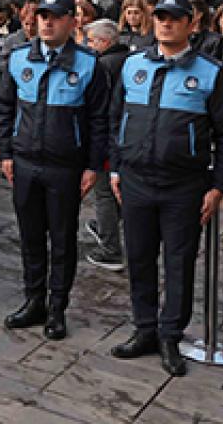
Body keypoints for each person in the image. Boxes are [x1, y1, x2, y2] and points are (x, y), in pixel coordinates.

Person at [108, 0, 223, 377]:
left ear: (191, 24)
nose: (166, 24)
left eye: (174, 19)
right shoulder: (134, 64)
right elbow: (116, 117)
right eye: (161, 18)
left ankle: (170, 335)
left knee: (179, 263)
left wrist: (218, 187)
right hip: (135, 181)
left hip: (184, 186)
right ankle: (144, 329)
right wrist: (115, 168)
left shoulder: (210, 72)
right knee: (139, 257)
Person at [0, 0, 108, 341]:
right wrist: (7, 153)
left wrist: (92, 166)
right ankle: (34, 301)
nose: (47, 22)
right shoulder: (18, 59)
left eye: (55, 17)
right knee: (30, 237)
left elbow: (99, 119)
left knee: (61, 240)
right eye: (42, 16)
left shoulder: (90, 64)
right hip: (26, 162)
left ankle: (57, 308)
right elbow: (4, 107)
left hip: (65, 166)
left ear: (72, 22)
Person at [82, 19, 132, 272]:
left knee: (103, 193)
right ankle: (107, 227)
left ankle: (110, 247)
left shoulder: (103, 65)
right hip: (124, 136)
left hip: (107, 138)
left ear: (103, 42)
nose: (87, 46)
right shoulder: (128, 60)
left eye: (90, 41)